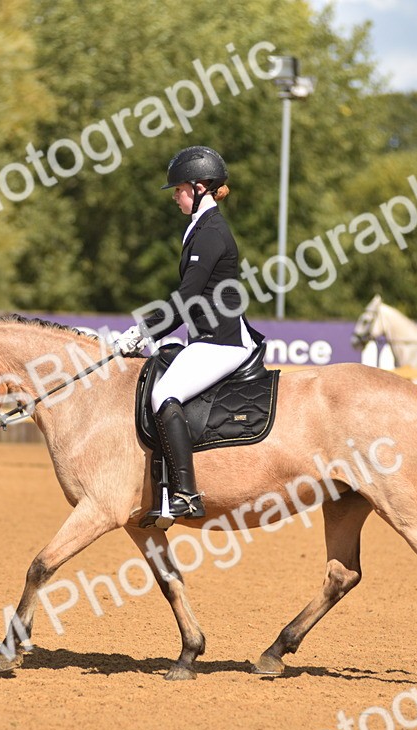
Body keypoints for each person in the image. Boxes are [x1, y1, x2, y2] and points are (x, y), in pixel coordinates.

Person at [116, 146, 260, 525]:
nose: (175, 197)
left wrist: (142, 331)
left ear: (199, 188)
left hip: (222, 341)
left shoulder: (211, 232)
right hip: (206, 337)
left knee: (164, 393)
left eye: (179, 189)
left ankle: (186, 494)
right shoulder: (200, 227)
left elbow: (187, 297)